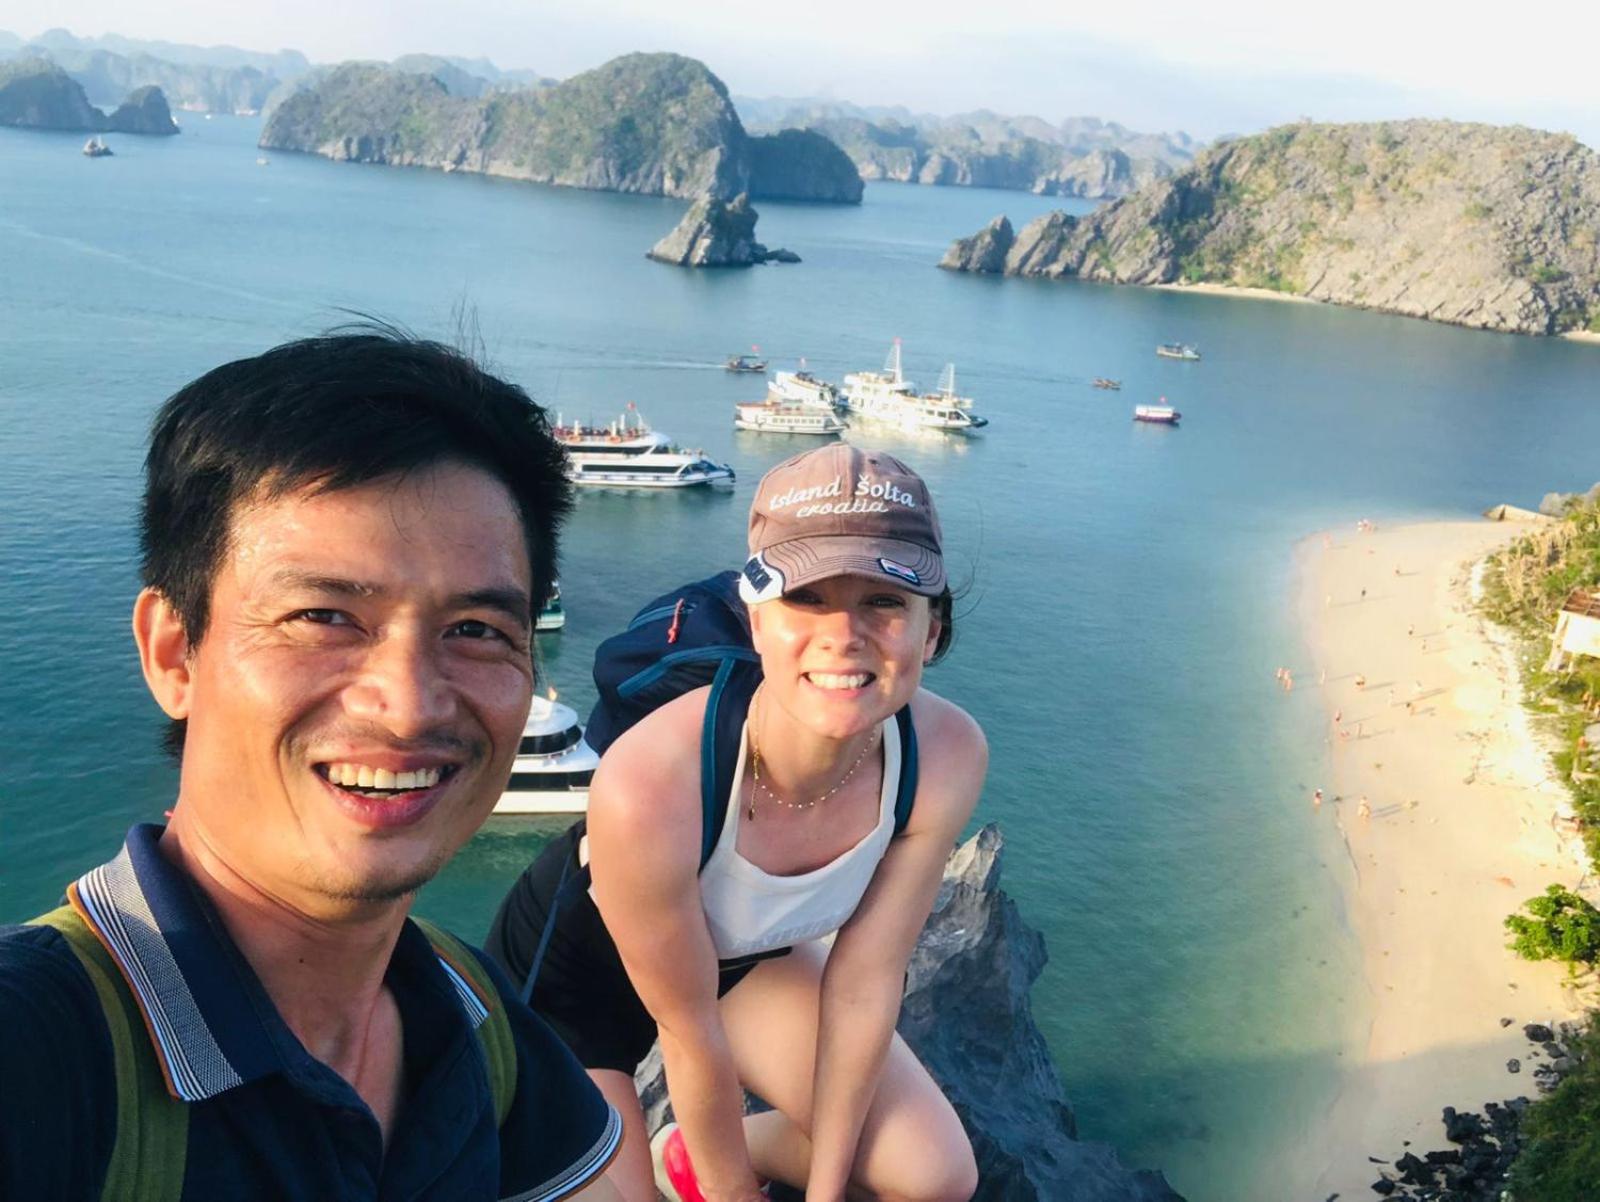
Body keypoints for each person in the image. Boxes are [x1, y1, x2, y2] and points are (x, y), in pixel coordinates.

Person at [0, 330, 623, 1201]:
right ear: (174, 653)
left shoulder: (474, 1020)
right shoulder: (39, 1056)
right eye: (324, 617)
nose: (409, 707)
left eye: (476, 630)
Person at [488, 445, 986, 1202]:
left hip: (740, 962)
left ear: (932, 631)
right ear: (757, 622)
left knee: (936, 1176)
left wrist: (825, 1194)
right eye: (807, 597)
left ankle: (681, 1157)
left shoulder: (944, 755)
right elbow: (688, 1038)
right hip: (573, 986)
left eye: (884, 601)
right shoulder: (656, 781)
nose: (843, 634)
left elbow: (863, 985)